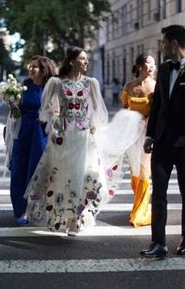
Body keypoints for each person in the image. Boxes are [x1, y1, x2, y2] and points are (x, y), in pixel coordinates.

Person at [21, 46, 112, 236]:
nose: (86, 62)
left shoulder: (91, 83)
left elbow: (99, 110)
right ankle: (60, 215)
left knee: (81, 175)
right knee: (61, 176)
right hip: (62, 136)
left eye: (86, 59)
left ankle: (75, 220)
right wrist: (55, 119)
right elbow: (44, 109)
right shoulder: (56, 82)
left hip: (83, 137)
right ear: (72, 61)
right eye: (82, 59)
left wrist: (93, 124)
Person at [141, 25, 185, 258]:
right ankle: (158, 242)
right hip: (161, 142)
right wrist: (150, 135)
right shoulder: (163, 69)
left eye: (163, 42)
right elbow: (158, 105)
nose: (161, 46)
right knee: (158, 193)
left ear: (173, 43)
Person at [7, 56, 58, 224]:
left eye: (34, 67)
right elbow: (18, 108)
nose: (31, 69)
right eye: (30, 66)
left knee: (37, 170)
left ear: (43, 69)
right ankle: (21, 210)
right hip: (22, 132)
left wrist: (49, 117)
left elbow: (57, 110)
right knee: (19, 169)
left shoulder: (50, 86)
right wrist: (12, 104)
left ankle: (34, 209)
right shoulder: (25, 84)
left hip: (40, 133)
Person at [121, 53, 156, 227]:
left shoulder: (157, 87)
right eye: (150, 63)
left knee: (145, 172)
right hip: (132, 135)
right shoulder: (129, 86)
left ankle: (141, 212)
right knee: (134, 172)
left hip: (148, 135)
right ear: (141, 66)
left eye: (154, 63)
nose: (153, 66)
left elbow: (158, 113)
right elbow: (125, 111)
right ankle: (138, 206)